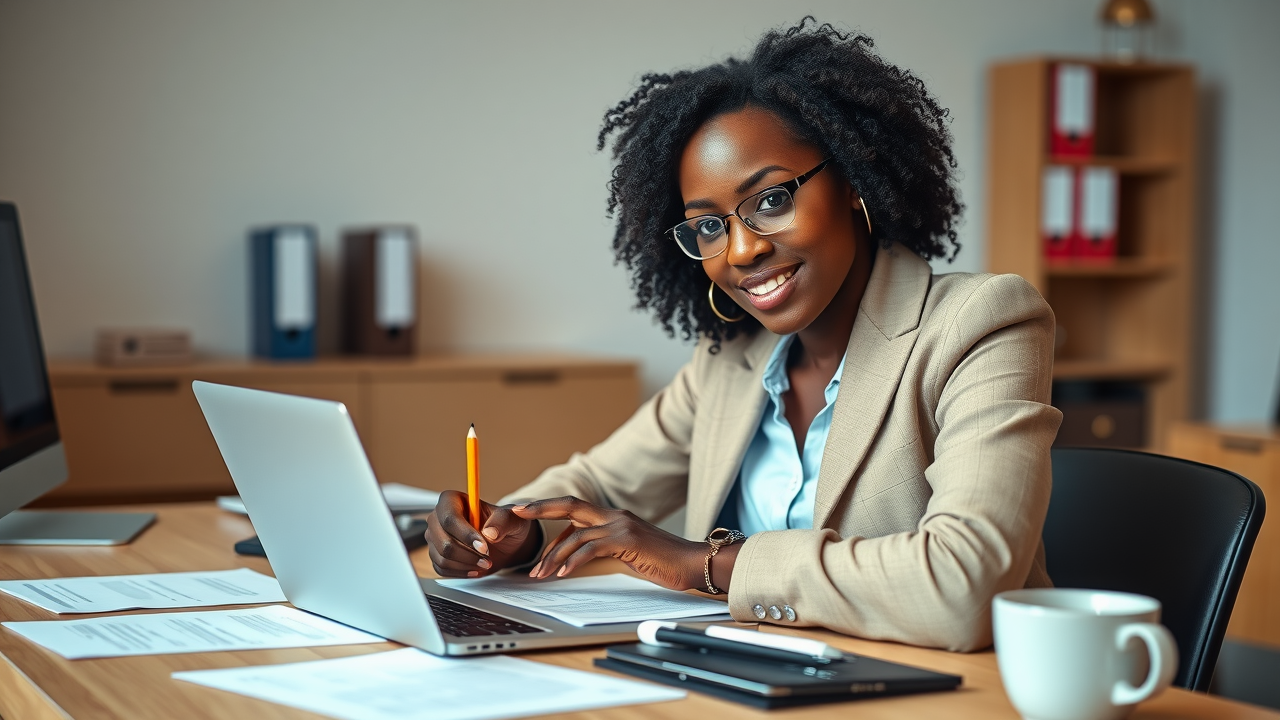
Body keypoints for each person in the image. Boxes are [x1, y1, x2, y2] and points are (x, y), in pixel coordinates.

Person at [426, 18, 1061, 652]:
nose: (742, 248)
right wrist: (508, 532)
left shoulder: (980, 323)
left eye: (773, 198)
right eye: (707, 227)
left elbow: (965, 585)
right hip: (737, 681)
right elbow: (595, 489)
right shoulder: (728, 360)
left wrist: (699, 564)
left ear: (853, 182)